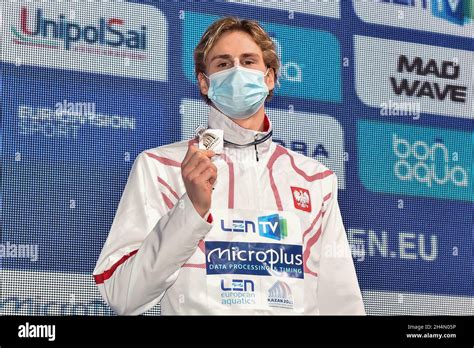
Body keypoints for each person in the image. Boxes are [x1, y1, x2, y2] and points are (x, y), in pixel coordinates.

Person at [93, 17, 365, 315]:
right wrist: (191, 211)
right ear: (204, 82)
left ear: (269, 78)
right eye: (223, 64)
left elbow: (341, 304)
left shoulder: (316, 181)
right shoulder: (160, 168)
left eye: (248, 61)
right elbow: (123, 295)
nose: (237, 71)